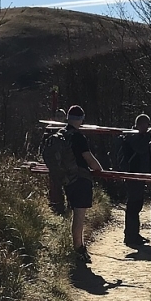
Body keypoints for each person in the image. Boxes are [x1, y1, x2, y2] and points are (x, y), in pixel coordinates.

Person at [64, 105, 106, 263]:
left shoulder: (62, 134)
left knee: (75, 213)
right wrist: (100, 170)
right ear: (81, 119)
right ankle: (78, 248)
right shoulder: (78, 137)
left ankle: (77, 246)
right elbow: (88, 159)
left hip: (67, 179)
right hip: (80, 179)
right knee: (79, 216)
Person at [120, 113, 151, 247]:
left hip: (138, 174)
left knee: (137, 204)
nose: (146, 127)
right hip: (132, 174)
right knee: (133, 205)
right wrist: (148, 136)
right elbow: (141, 149)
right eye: (144, 124)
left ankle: (134, 233)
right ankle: (130, 235)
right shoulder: (132, 136)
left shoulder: (139, 136)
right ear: (139, 124)